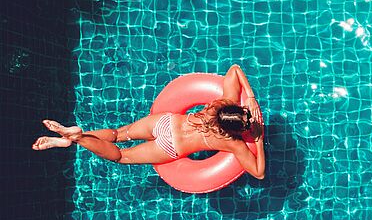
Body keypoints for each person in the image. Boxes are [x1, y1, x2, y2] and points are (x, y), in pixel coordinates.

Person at [32, 64, 265, 180]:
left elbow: (234, 69)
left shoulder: (220, 104)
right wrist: (259, 139)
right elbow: (258, 172)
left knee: (117, 134)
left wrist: (250, 98)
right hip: (170, 147)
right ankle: (79, 138)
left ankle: (68, 140)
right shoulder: (233, 143)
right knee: (121, 156)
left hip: (165, 123)